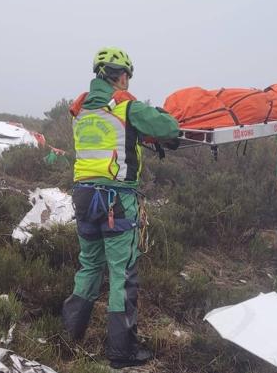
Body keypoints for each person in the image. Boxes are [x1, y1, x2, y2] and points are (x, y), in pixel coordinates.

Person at [62, 47, 180, 368]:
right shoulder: (126, 105)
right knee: (121, 273)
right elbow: (169, 129)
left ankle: (69, 337)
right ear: (122, 76)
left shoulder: (81, 109)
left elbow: (111, 140)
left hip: (84, 197)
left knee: (88, 265)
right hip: (116, 200)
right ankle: (122, 351)